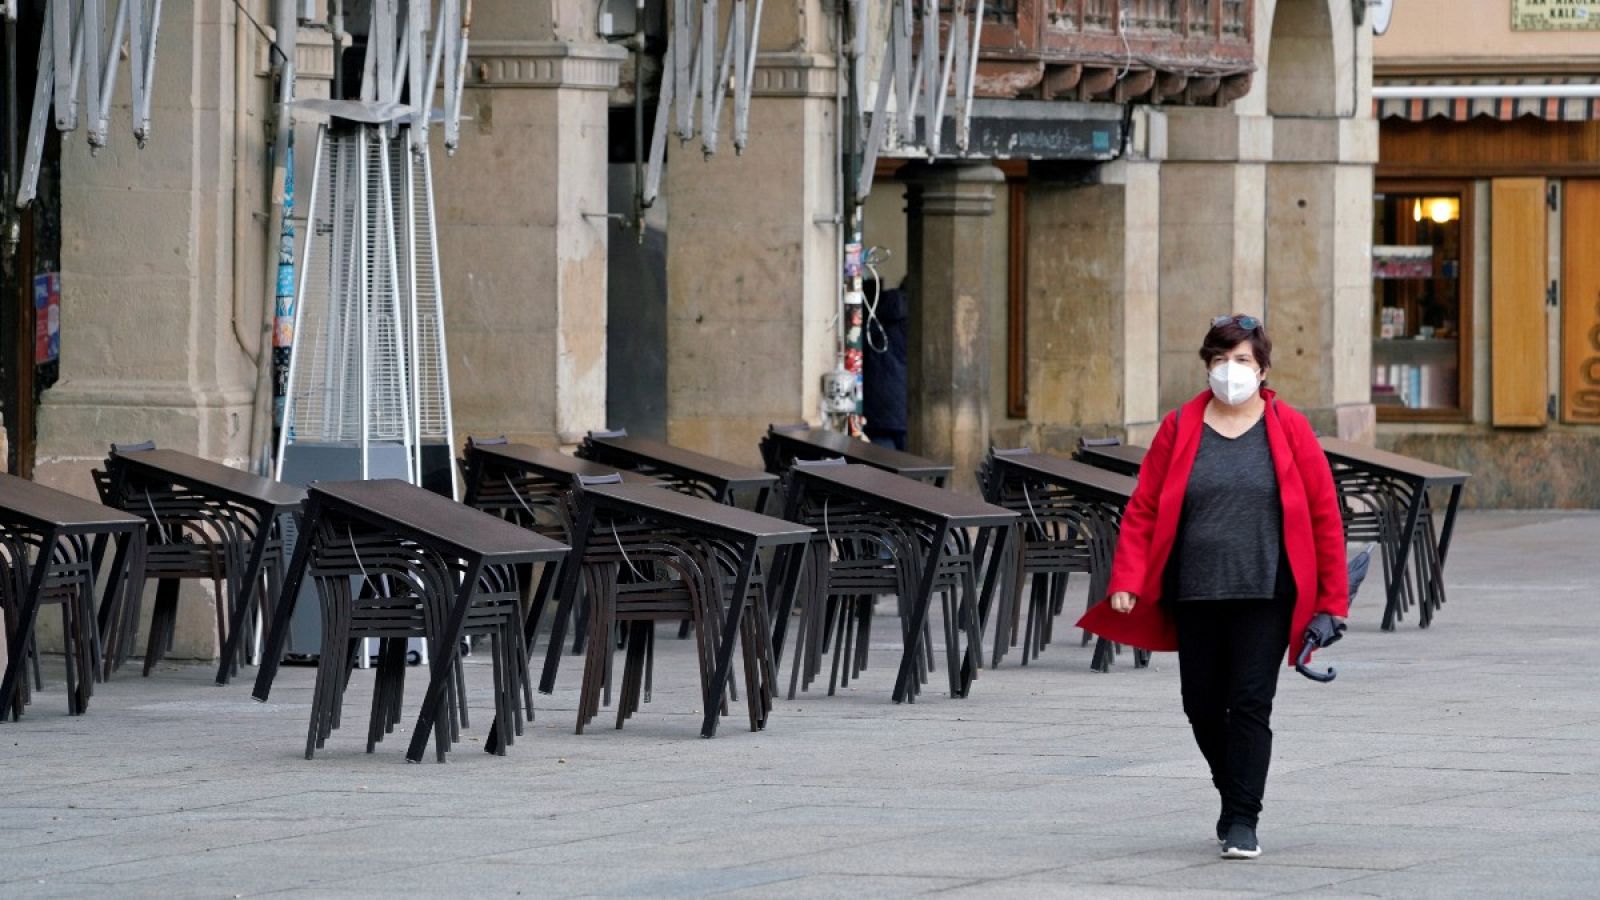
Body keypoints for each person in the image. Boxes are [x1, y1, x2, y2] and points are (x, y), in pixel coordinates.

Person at [1077, 314, 1350, 861]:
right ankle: (1233, 791)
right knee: (1201, 704)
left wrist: (1332, 601)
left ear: (1263, 369)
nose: (1232, 371)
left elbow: (1324, 514)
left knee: (1250, 703)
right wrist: (1127, 579)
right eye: (1221, 360)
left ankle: (1243, 818)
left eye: (1243, 360)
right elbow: (1145, 507)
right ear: (1207, 366)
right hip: (1196, 590)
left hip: (1267, 591)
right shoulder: (1180, 426)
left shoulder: (1290, 428)